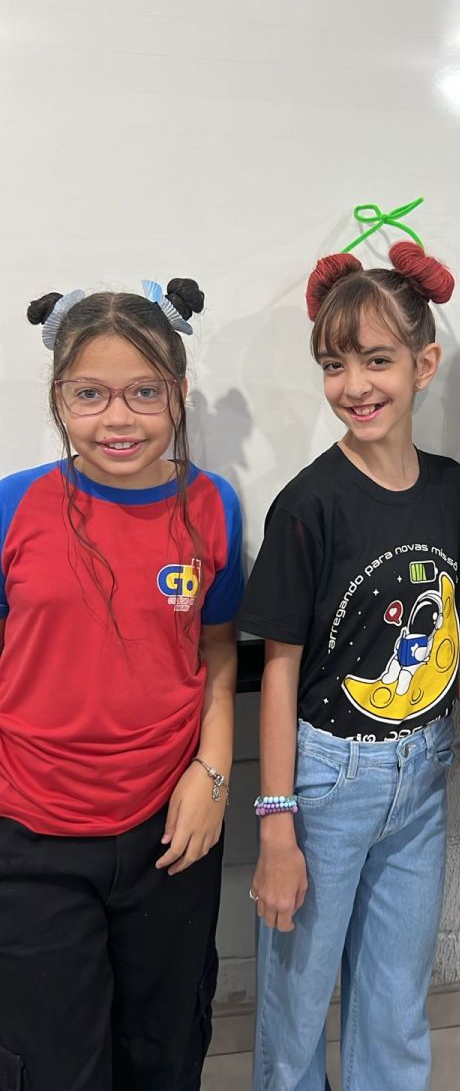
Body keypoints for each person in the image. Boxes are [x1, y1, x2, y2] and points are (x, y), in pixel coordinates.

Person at [238, 241, 460, 1091]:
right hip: (325, 783)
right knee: (294, 1007)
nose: (354, 385)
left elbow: (444, 624)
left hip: (420, 775)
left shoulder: (450, 489)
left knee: (394, 1005)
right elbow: (278, 672)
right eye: (333, 364)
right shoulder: (309, 504)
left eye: (377, 360)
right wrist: (275, 822)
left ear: (424, 365)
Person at [0, 279, 244, 1091]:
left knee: (163, 1054)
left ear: (178, 392)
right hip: (30, 837)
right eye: (90, 394)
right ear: (58, 399)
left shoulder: (213, 506)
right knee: (54, 1065)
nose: (119, 418)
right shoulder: (13, 506)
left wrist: (213, 777)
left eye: (144, 392)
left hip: (169, 831)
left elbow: (216, 654)